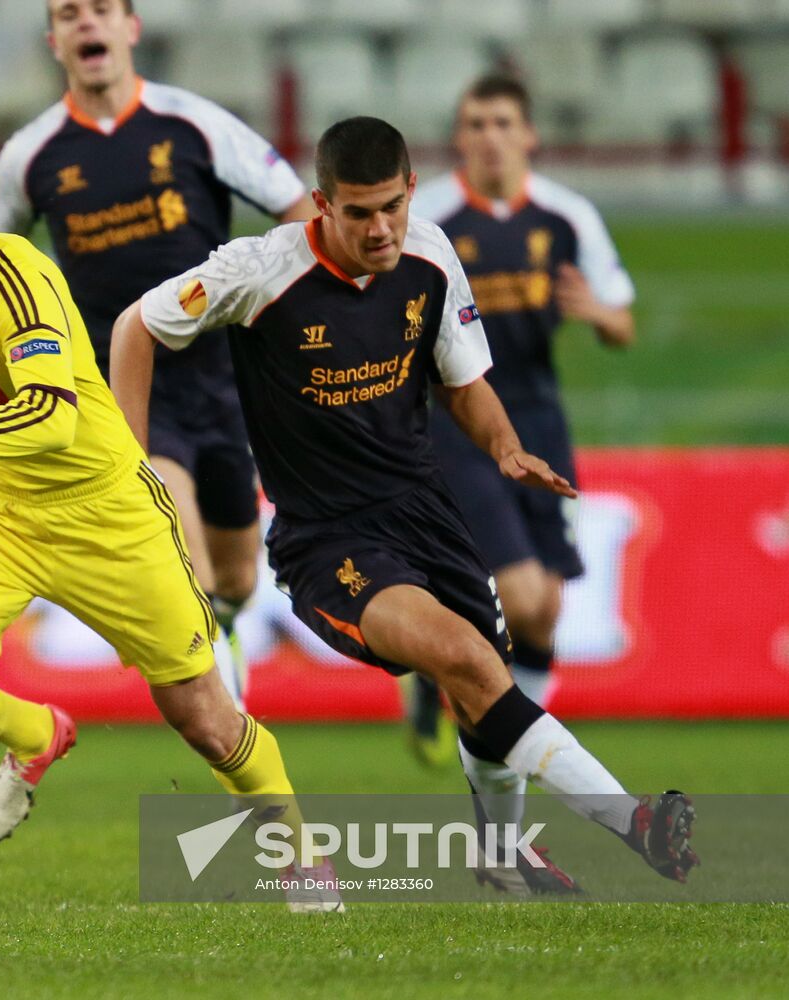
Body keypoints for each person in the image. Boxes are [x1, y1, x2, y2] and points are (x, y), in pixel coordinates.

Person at [109, 116, 697, 890]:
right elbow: (134, 325)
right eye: (357, 213)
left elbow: (462, 380)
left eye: (391, 205)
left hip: (425, 513)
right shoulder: (257, 271)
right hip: (326, 539)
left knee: (481, 680)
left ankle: (498, 858)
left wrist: (503, 445)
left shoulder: (429, 254)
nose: (379, 228)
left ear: (411, 189)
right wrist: (129, 465)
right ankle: (634, 822)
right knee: (464, 659)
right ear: (320, 204)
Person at [0, 119, 338, 911]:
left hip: (105, 512)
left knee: (207, 724)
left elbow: (50, 418)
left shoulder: (14, 274)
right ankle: (35, 735)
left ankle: (299, 855)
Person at [0, 0, 316, 709]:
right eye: (69, 14)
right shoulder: (30, 155)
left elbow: (297, 207)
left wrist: (284, 302)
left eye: (100, 10)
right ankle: (234, 740)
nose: (86, 24)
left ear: (130, 28)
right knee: (179, 560)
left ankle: (223, 638)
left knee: (235, 579)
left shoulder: (193, 124)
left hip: (224, 379)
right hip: (123, 385)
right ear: (54, 41)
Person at [403, 74, 637, 765]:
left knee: (543, 613)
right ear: (458, 137)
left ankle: (475, 715)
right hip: (458, 422)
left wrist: (596, 313)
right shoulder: (431, 220)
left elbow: (620, 323)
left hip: (539, 419)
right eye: (475, 124)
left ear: (529, 135)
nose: (489, 138)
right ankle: (504, 752)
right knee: (516, 590)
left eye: (503, 123)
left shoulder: (565, 217)